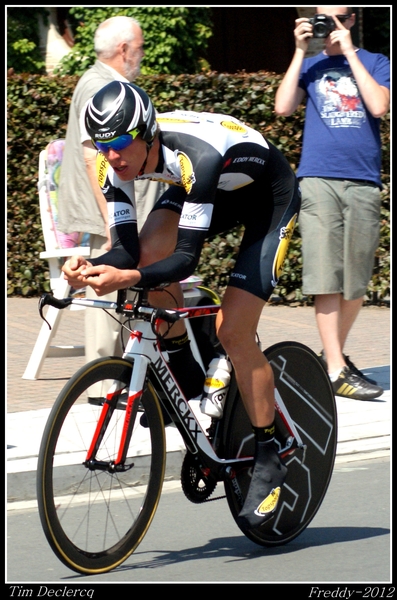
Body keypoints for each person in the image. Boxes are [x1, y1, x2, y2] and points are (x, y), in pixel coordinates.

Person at [61, 80, 301, 530]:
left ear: (148, 133)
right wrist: (90, 265)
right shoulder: (111, 164)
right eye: (102, 146)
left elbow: (185, 259)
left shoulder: (196, 155)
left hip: (267, 198)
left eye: (119, 145)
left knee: (234, 330)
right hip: (202, 189)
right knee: (148, 256)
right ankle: (193, 375)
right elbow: (127, 251)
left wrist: (128, 276)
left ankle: (269, 452)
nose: (111, 157)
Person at [274, 6, 389, 401]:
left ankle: (330, 359)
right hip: (318, 178)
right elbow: (283, 106)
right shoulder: (311, 64)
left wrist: (350, 52)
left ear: (352, 20)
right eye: (323, 18)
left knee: (355, 281)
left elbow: (378, 106)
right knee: (325, 275)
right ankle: (337, 367)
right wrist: (299, 51)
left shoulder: (376, 61)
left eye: (336, 18)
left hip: (362, 181)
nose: (328, 25)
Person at [57, 16, 166, 402]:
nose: (141, 54)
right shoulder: (101, 86)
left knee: (116, 287)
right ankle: (106, 385)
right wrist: (112, 220)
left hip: (109, 209)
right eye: (139, 47)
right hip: (102, 210)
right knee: (105, 294)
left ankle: (119, 380)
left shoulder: (100, 82)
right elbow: (94, 158)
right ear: (124, 50)